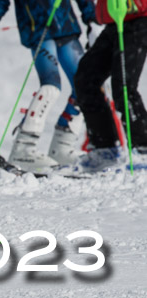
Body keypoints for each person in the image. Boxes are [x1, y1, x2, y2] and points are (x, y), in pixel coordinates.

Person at [0, 0, 96, 172]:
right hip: (39, 31)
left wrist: (93, 21)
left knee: (85, 87)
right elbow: (0, 3)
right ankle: (23, 149)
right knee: (51, 87)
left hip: (67, 28)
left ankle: (62, 148)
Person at [74, 0, 147, 172]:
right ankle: (105, 149)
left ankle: (143, 147)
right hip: (113, 20)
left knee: (123, 86)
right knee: (85, 79)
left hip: (138, 20)